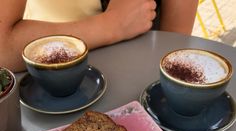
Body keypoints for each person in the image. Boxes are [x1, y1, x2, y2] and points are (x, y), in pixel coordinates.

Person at [0, 0, 198, 72]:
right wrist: (111, 25)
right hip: (53, 91)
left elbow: (175, 46)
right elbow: (3, 48)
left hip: (142, 92)